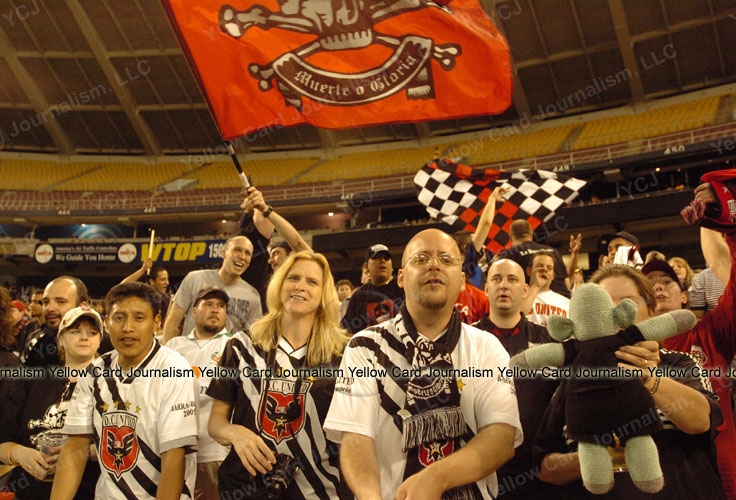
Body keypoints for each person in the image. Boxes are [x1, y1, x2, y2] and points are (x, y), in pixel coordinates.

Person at [325, 229, 522, 500]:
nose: (434, 264)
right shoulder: (365, 346)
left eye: (446, 259)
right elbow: (356, 439)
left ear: (462, 280)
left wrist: (436, 477)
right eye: (421, 258)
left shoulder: (486, 347)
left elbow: (500, 438)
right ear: (401, 278)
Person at [535, 263, 724, 499]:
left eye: (628, 303)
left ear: (651, 312)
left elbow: (701, 422)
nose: (613, 312)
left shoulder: (678, 363)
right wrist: (592, 454)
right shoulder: (575, 379)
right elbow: (544, 468)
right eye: (603, 304)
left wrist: (650, 380)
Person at [207, 251, 349, 499]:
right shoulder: (241, 346)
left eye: (312, 282)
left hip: (319, 488)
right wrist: (234, 433)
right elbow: (215, 423)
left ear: (324, 294)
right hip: (245, 487)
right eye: (293, 278)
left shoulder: (343, 353)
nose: (300, 287)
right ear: (279, 284)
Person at [51, 283, 199, 500]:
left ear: (156, 323)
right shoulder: (93, 373)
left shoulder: (175, 370)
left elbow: (174, 458)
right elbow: (74, 449)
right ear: (107, 323)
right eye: (119, 318)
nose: (128, 327)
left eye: (139, 318)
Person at [643, 179, 736, 499]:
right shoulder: (625, 349)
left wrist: (730, 226)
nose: (657, 286)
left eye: (666, 280)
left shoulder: (711, 331)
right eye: (649, 282)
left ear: (685, 295)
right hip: (657, 464)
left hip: (719, 455)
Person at [473, 259, 561, 499]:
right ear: (486, 289)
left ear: (524, 290)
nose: (504, 286)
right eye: (496, 279)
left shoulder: (550, 342)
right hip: (478, 469)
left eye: (512, 280)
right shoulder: (464, 342)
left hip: (538, 471)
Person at [0, 306, 102, 499]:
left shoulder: (110, 387)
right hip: (31, 490)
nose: (84, 337)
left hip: (88, 491)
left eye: (92, 332)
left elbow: (124, 444)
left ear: (99, 340)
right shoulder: (32, 383)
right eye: (75, 331)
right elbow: (3, 438)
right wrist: (19, 453)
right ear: (60, 340)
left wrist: (84, 452)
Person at [166, 285, 233, 500]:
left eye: (221, 306)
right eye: (209, 304)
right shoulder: (173, 347)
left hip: (216, 450)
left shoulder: (236, 344)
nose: (215, 310)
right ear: (194, 311)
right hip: (174, 448)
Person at [163, 235, 262, 343]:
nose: (242, 256)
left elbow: (254, 338)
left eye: (247, 253)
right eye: (237, 250)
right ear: (223, 253)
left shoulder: (252, 296)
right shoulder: (194, 279)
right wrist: (167, 356)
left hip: (225, 358)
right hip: (189, 355)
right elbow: (172, 323)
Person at [21, 276, 89, 367]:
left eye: (60, 302)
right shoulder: (38, 348)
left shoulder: (104, 346)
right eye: (46, 302)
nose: (50, 308)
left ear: (81, 307)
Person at [495, 219, 571, 297]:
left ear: (510, 237)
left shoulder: (507, 255)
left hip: (531, 303)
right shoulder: (554, 252)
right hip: (564, 302)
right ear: (531, 234)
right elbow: (567, 284)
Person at [341, 244, 405, 334]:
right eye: (377, 258)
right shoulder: (359, 296)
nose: (382, 261)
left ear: (392, 266)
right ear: (366, 267)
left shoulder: (404, 287)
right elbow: (347, 331)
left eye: (386, 258)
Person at [521, 252, 570, 327]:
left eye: (549, 268)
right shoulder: (519, 295)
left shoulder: (566, 303)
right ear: (529, 271)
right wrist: (536, 286)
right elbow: (518, 315)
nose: (544, 269)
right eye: (539, 266)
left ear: (553, 275)